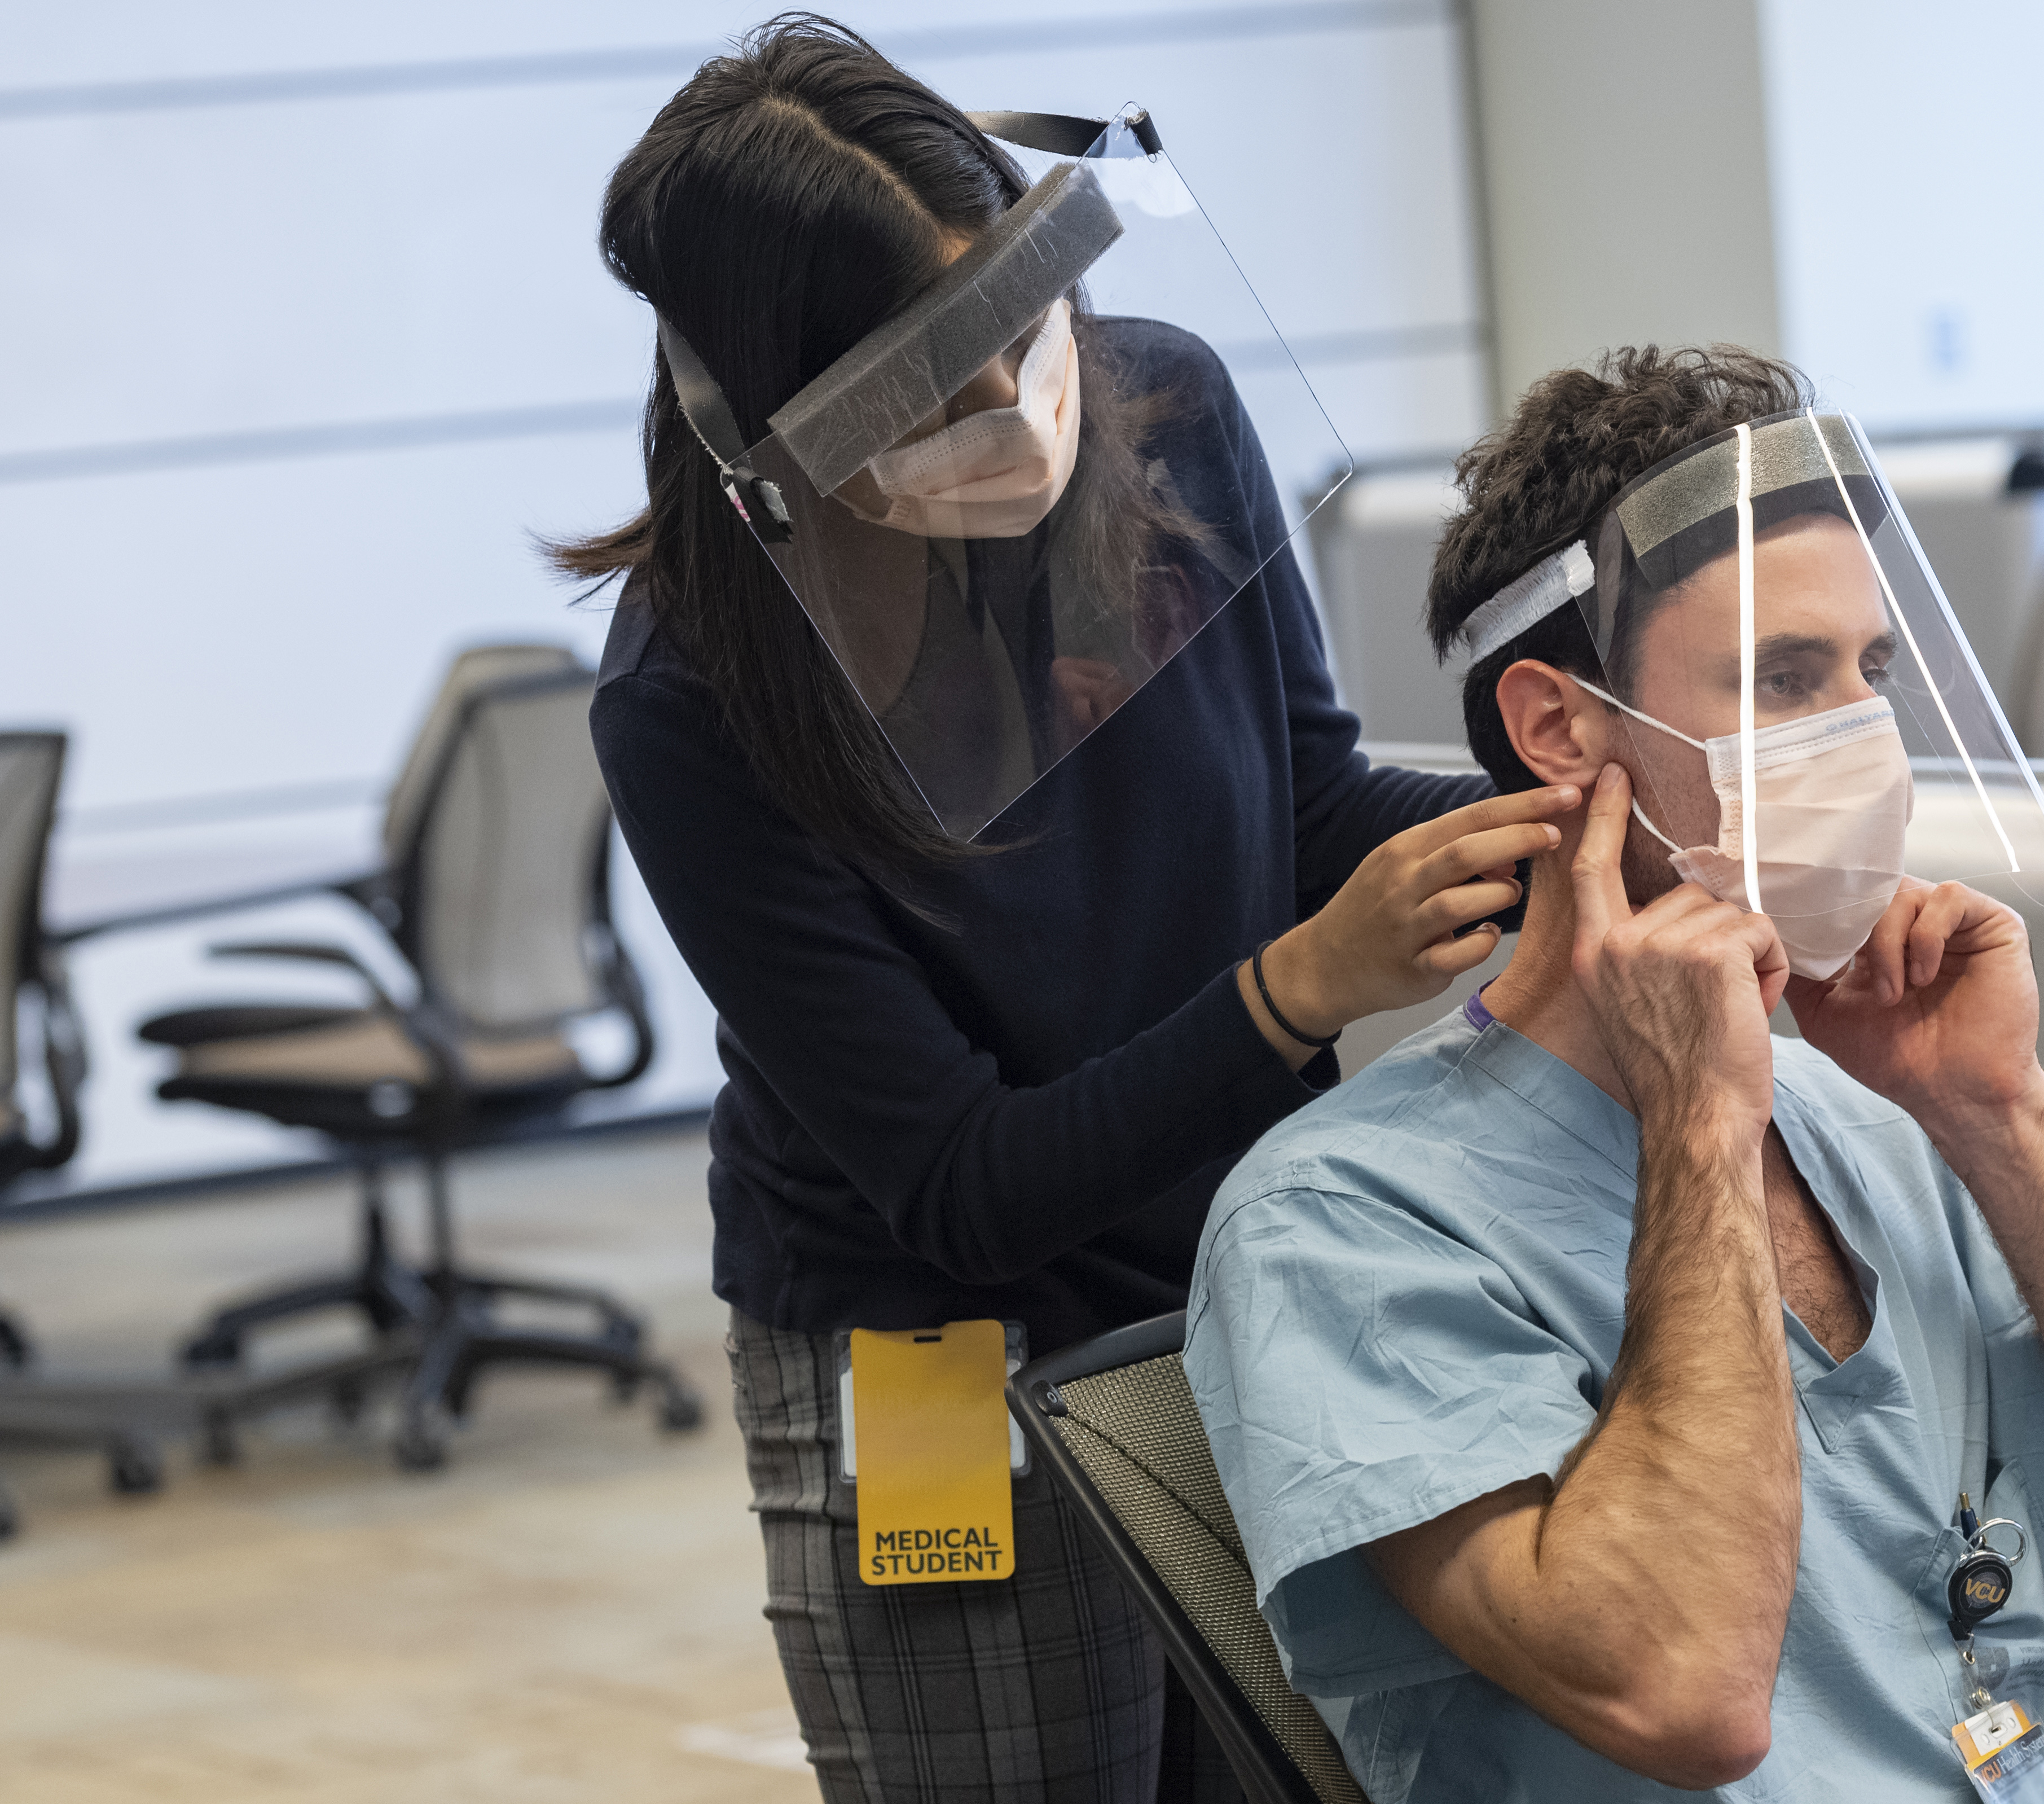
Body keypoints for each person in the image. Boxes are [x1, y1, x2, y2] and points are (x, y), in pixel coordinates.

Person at [554, 20, 1575, 1802]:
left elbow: (1305, 799)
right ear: (785, 418)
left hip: (1242, 1263)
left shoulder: (1161, 407)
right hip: (930, 1348)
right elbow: (957, 1188)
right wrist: (1292, 994)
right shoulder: (697, 695)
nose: (1021, 402)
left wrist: (1560, 831)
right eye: (934, 385)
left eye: (1027, 323)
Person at [1185, 347, 2044, 1802]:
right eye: (1781, 681)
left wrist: (2007, 1117)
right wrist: (1701, 1124)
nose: (1858, 740)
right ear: (1559, 729)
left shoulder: (1891, 1127)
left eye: (1872, 676)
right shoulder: (1340, 1219)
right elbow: (1684, 1697)